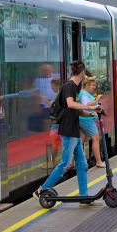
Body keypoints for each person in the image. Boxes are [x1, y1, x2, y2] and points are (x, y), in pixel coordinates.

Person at [35, 60, 98, 206]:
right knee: (65, 164)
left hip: (73, 130)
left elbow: (76, 109)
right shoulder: (69, 86)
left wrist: (91, 112)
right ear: (82, 73)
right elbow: (70, 104)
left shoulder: (74, 87)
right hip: (68, 131)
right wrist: (86, 107)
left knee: (82, 165)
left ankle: (84, 197)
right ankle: (42, 189)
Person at [78, 76, 104, 168]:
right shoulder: (84, 94)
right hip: (87, 120)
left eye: (94, 85)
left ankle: (78, 161)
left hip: (85, 120)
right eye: (92, 85)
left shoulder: (84, 94)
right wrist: (97, 100)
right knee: (96, 139)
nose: (94, 87)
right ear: (87, 85)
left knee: (80, 141)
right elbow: (86, 105)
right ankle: (98, 161)